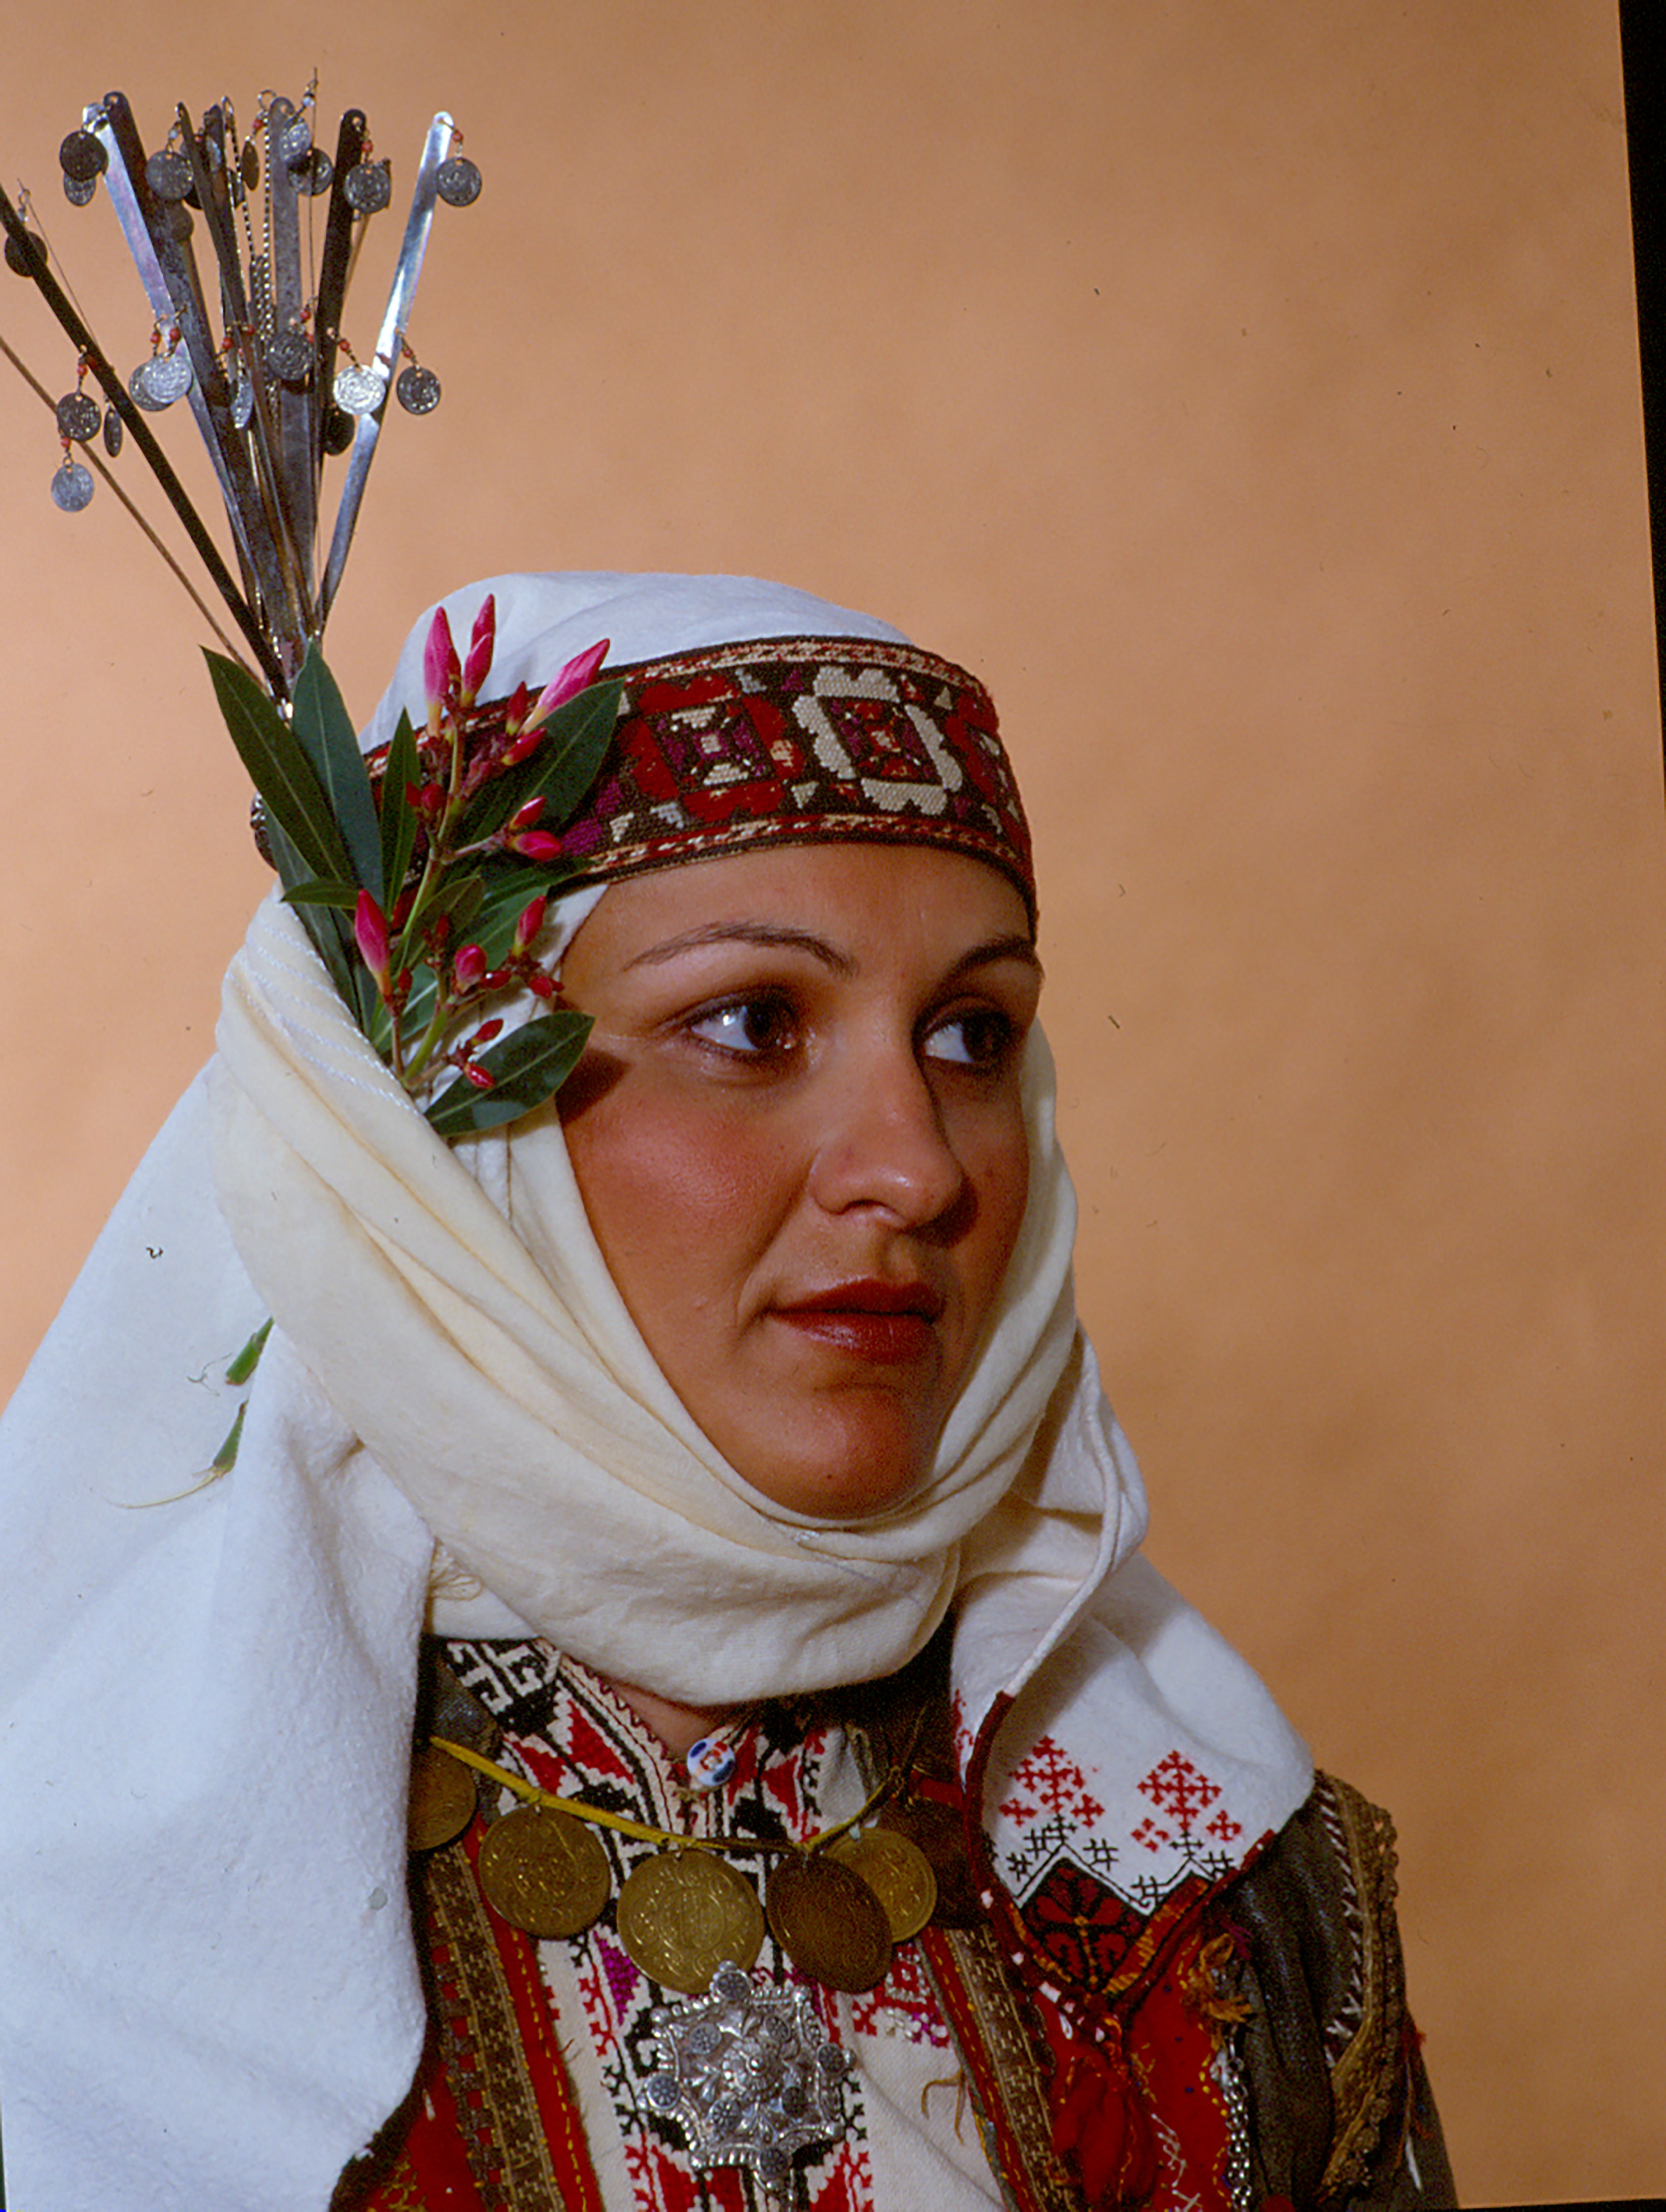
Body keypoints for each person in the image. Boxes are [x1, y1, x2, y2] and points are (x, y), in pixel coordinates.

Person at [0, 572, 1454, 2212]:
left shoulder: (1217, 1908)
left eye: (973, 1038)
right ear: (435, 1132)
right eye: (755, 1022)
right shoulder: (69, 1946)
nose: (916, 1168)